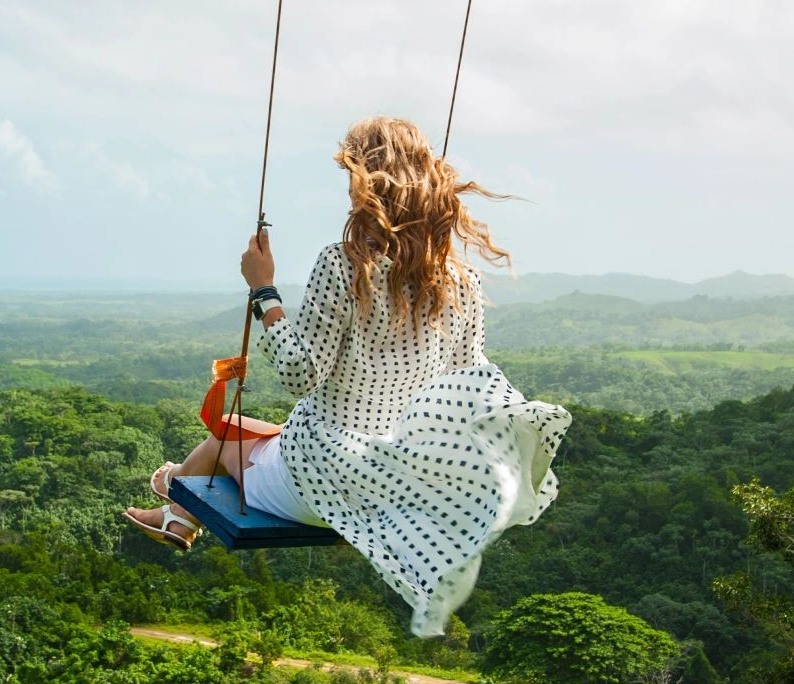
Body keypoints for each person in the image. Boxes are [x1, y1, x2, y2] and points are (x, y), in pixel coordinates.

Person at [124, 116, 571, 636]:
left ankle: (178, 498)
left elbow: (298, 373)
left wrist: (263, 291)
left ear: (366, 187)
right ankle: (178, 515)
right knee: (255, 434)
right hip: (398, 482)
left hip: (324, 478)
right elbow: (464, 392)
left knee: (223, 440)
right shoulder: (461, 283)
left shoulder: (345, 265)